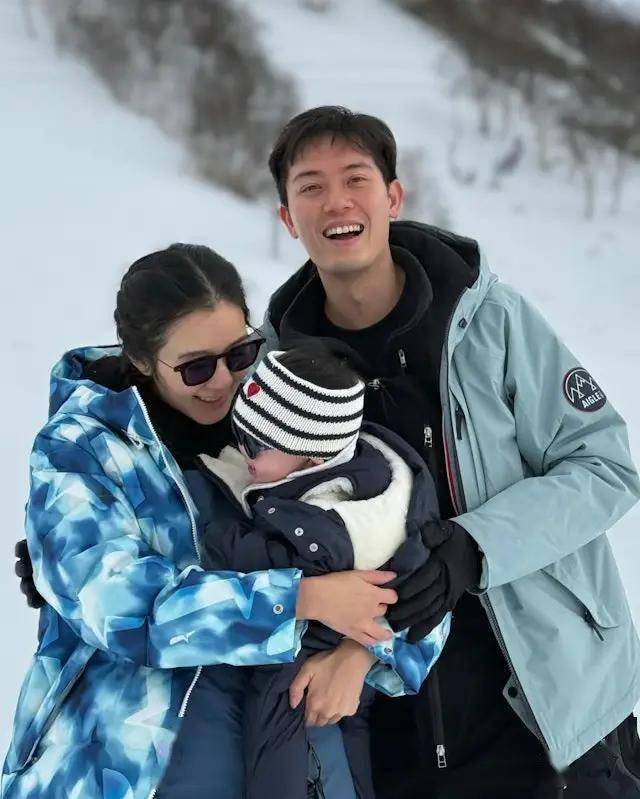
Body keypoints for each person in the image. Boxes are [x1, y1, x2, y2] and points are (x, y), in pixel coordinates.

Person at [257, 106, 640, 797]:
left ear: (393, 196)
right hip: (391, 735)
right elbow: (253, 516)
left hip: (546, 714)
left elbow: (604, 466)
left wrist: (474, 546)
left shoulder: (488, 320)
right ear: (288, 217)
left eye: (355, 178)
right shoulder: (280, 373)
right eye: (311, 186)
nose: (336, 201)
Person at [2, 243, 415, 799]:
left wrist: (362, 653)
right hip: (127, 762)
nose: (224, 380)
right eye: (196, 366)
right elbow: (119, 606)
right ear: (142, 359)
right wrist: (299, 600)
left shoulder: (290, 411)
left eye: (240, 353)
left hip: (291, 754)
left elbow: (407, 556)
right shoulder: (83, 448)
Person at [156, 343, 450, 799]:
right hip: (353, 640)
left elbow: (264, 561)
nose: (243, 453)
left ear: (312, 456)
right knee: (350, 736)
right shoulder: (365, 459)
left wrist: (215, 534)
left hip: (313, 644)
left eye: (256, 446)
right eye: (239, 433)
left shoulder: (327, 523)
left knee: (275, 722)